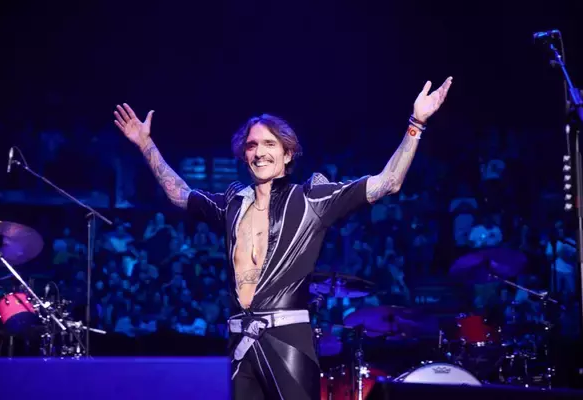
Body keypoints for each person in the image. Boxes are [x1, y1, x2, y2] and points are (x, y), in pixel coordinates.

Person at [113, 76, 453, 399]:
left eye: (269, 144)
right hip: (238, 341)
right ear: (243, 155)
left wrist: (416, 124)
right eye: (251, 145)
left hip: (288, 341)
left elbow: (388, 182)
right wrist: (145, 144)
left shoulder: (312, 200)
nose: (259, 152)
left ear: (288, 154)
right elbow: (180, 194)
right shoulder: (231, 204)